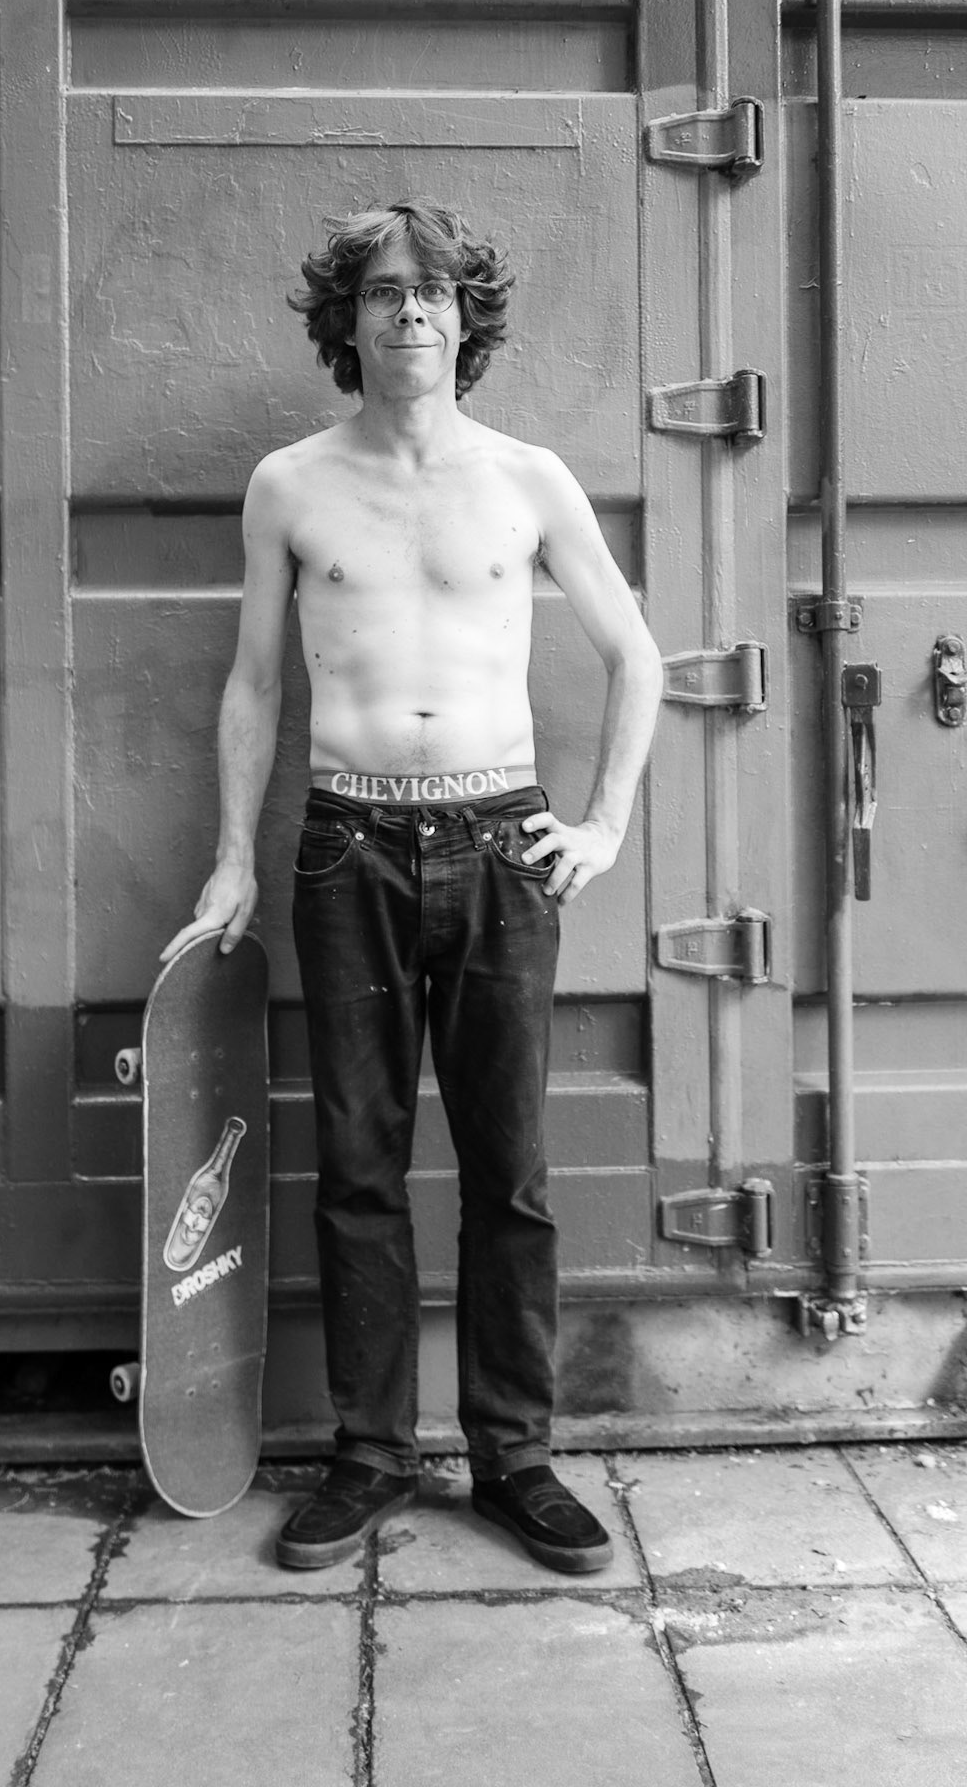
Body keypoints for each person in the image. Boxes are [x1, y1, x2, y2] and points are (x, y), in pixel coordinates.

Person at [161, 202, 662, 1573]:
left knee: (509, 1171)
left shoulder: (529, 479)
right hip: (344, 848)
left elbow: (638, 657)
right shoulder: (289, 484)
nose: (411, 313)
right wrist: (230, 858)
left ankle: (517, 1461)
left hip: (502, 847)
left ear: (467, 317)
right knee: (359, 1171)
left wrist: (603, 824)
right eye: (384, 292)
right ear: (348, 320)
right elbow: (256, 680)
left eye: (434, 291)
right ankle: (370, 1456)